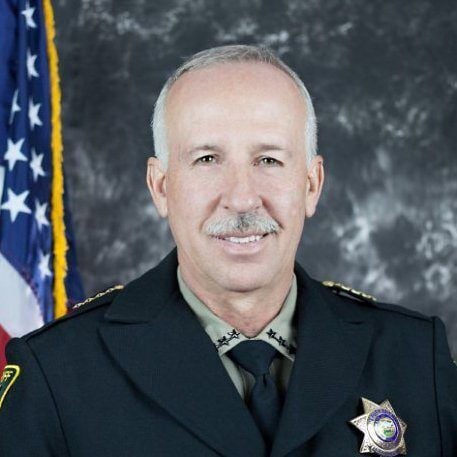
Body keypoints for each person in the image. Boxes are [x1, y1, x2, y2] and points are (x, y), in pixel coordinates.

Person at [0, 45, 456, 457]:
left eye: (269, 160)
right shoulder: (56, 375)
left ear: (311, 185)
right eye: (207, 159)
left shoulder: (416, 358)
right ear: (161, 187)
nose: (241, 199)